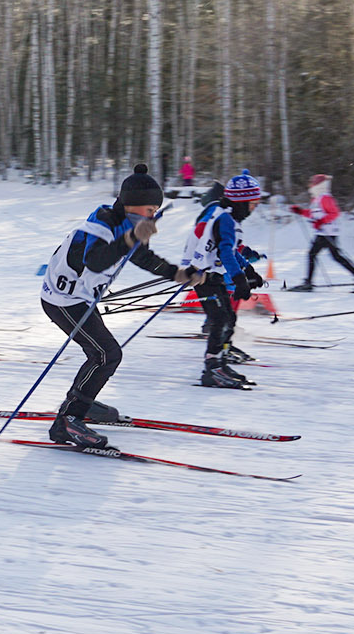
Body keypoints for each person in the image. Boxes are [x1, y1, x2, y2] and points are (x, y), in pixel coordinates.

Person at [39, 165, 192, 447]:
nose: (153, 216)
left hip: (79, 299)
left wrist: (178, 273)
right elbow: (96, 260)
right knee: (106, 355)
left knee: (101, 353)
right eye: (150, 210)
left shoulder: (125, 225)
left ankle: (82, 402)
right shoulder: (101, 225)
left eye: (156, 211)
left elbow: (143, 258)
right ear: (133, 205)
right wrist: (132, 237)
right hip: (62, 301)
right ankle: (67, 422)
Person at [183, 170, 266, 389]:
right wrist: (240, 278)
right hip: (202, 276)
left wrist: (248, 271)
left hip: (211, 275)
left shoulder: (227, 215)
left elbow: (231, 251)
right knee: (219, 320)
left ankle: (219, 363)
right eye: (253, 203)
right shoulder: (226, 218)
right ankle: (212, 370)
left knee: (228, 318)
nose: (254, 207)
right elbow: (225, 253)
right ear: (242, 201)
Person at [287, 173, 354, 291]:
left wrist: (321, 222)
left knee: (313, 254)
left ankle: (308, 283)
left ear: (318, 185)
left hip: (327, 232)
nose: (310, 186)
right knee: (335, 256)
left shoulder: (325, 197)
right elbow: (313, 213)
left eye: (312, 183)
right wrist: (300, 211)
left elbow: (335, 213)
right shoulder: (318, 198)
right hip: (325, 232)